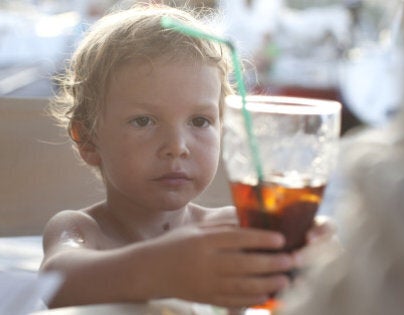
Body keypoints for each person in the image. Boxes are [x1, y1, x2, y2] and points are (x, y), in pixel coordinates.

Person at [40, 3, 334, 310]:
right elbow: (55, 284)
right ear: (87, 139)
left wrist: (311, 258)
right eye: (144, 121)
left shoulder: (231, 231)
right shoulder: (84, 230)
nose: (177, 145)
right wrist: (162, 270)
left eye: (199, 121)